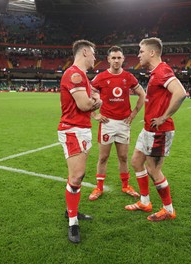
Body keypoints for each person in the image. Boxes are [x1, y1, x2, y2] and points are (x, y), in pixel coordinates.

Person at [125, 37, 186, 221]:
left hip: (160, 130)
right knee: (136, 161)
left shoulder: (162, 71)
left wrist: (164, 117)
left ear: (152, 52)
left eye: (141, 51)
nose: (138, 55)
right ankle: (145, 202)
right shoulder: (155, 73)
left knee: (153, 170)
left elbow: (180, 93)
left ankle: (168, 210)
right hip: (148, 128)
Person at [57, 39, 102, 243]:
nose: (95, 57)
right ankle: (73, 222)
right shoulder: (74, 74)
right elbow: (85, 104)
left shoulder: (83, 76)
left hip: (82, 129)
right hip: (73, 130)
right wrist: (97, 102)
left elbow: (93, 99)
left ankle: (71, 211)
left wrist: (95, 101)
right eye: (93, 53)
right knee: (77, 176)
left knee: (78, 177)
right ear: (84, 52)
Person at [88, 46, 146, 201]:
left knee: (123, 157)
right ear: (108, 59)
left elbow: (142, 94)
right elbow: (87, 93)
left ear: (123, 59)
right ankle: (99, 188)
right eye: (113, 58)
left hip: (124, 123)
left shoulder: (129, 77)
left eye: (119, 58)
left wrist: (133, 114)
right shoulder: (101, 77)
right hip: (107, 123)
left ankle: (126, 185)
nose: (116, 60)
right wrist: (94, 114)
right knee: (103, 157)